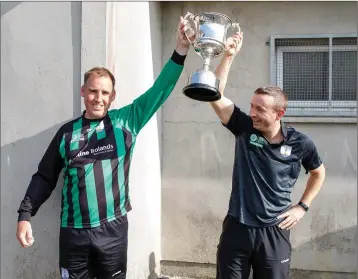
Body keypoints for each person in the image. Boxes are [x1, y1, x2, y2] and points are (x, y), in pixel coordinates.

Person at [16, 16, 190, 279]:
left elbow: (159, 91)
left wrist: (180, 51)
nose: (99, 98)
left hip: (113, 230)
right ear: (83, 92)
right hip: (73, 232)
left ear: (113, 96)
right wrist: (25, 215)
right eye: (93, 91)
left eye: (105, 93)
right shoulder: (66, 134)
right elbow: (45, 176)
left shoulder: (126, 122)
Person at [208, 32, 326, 279]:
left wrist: (302, 207)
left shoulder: (301, 143)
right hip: (237, 227)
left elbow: (318, 173)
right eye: (251, 106)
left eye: (259, 109)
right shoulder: (244, 128)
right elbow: (214, 95)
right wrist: (228, 56)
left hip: (275, 231)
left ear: (279, 114)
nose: (252, 113)